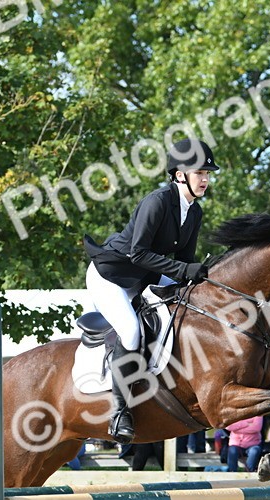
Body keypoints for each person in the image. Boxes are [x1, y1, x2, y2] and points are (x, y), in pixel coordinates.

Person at [83, 138, 220, 444]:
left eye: (208, 174)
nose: (206, 179)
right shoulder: (157, 202)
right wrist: (185, 271)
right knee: (131, 330)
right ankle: (119, 412)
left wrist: (202, 278)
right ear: (180, 174)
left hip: (145, 277)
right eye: (200, 173)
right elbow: (138, 253)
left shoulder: (193, 212)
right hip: (111, 275)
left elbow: (184, 262)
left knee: (192, 300)